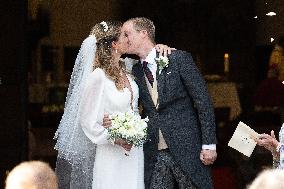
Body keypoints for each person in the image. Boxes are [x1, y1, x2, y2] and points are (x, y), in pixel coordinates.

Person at [54, 21, 172, 189]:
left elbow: (150, 59)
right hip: (111, 153)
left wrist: (160, 48)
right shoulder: (98, 77)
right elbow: (88, 122)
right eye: (124, 35)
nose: (128, 38)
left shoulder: (128, 68)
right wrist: (116, 138)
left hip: (134, 151)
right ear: (114, 44)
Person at [104, 17, 217, 189]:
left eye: (127, 34)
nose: (124, 39)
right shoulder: (133, 70)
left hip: (186, 147)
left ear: (143, 34)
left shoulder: (178, 59)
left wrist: (209, 144)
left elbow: (203, 102)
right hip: (153, 151)